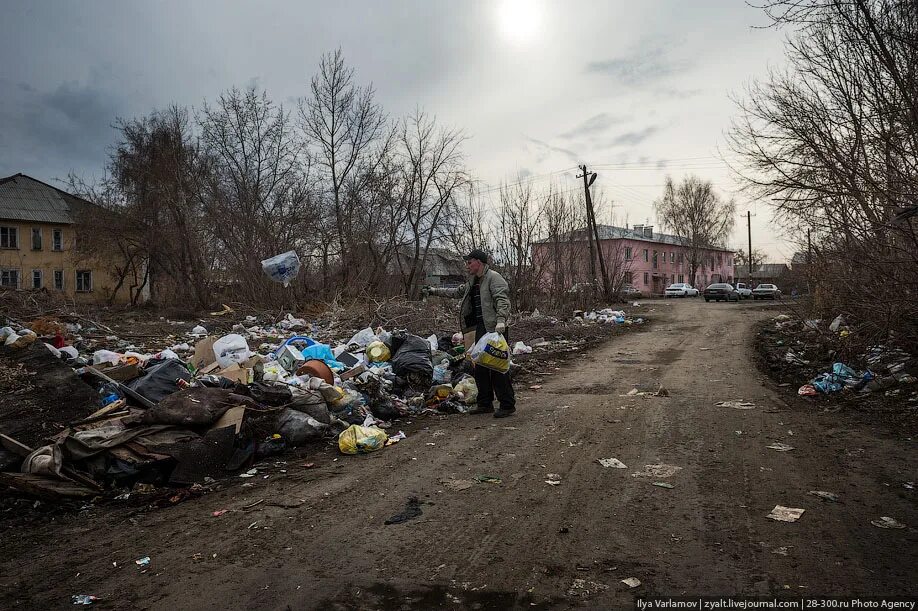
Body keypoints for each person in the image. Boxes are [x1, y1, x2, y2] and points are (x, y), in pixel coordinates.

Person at [423, 249, 516, 418]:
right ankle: (485, 403)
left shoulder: (494, 278)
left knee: (497, 367)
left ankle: (507, 405)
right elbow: (457, 292)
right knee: (479, 367)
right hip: (477, 329)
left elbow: (502, 300)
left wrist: (501, 320)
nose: (467, 265)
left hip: (494, 329)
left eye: (469, 262)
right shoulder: (473, 280)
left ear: (478, 262)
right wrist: (433, 290)